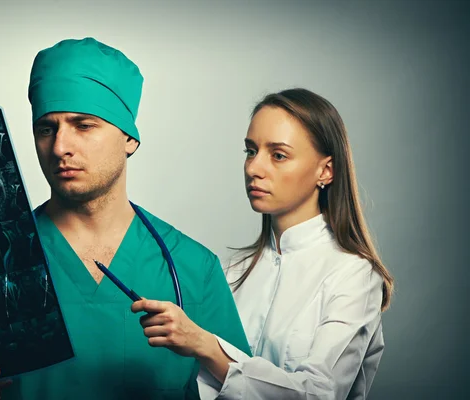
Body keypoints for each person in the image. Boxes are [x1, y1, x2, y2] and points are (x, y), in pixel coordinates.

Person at [0, 37, 251, 400]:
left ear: (129, 139)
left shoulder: (192, 270)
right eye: (47, 128)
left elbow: (243, 389)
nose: (60, 147)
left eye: (84, 125)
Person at [131, 88, 395, 399]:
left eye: (278, 155)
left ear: (326, 170)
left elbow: (319, 394)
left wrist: (207, 347)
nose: (254, 168)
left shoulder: (354, 276)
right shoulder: (230, 271)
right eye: (251, 151)